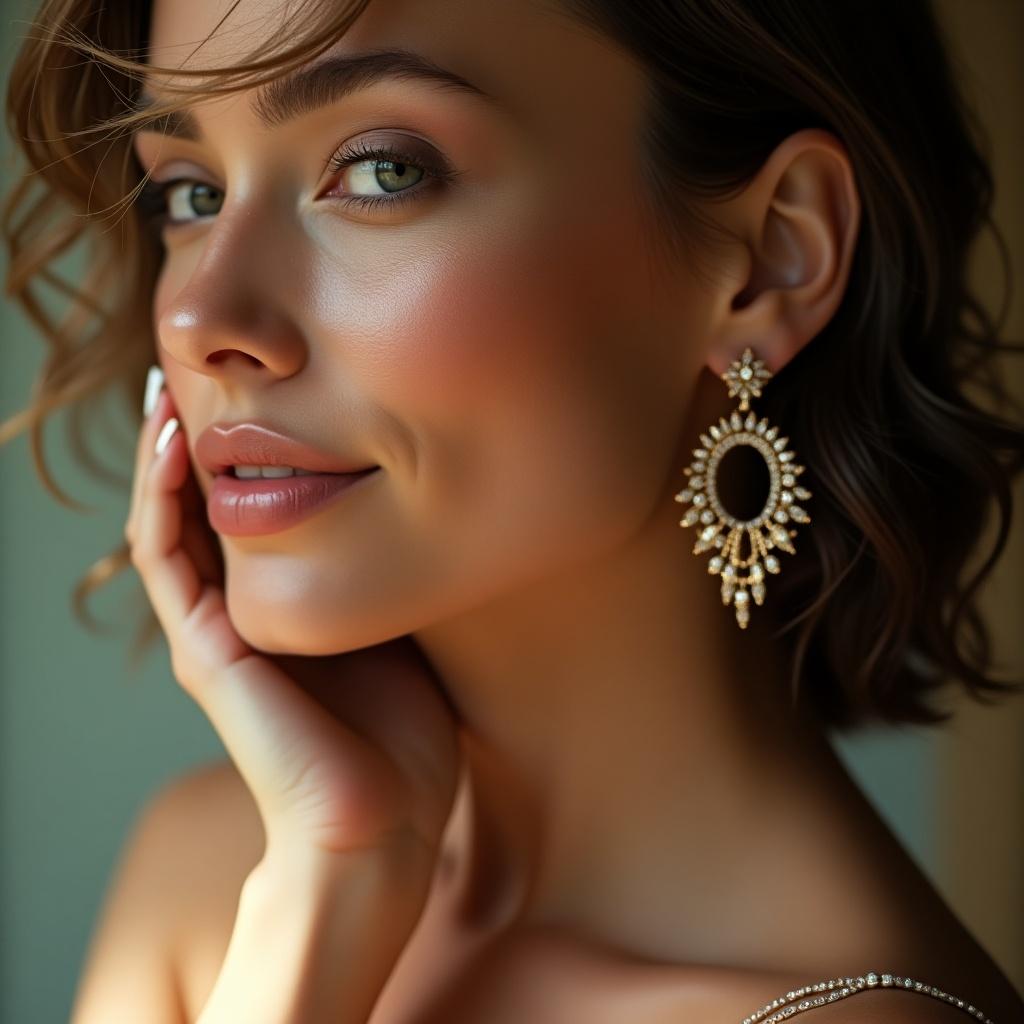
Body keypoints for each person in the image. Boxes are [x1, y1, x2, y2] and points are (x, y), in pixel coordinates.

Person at [2, 0, 1023, 1020]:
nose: (197, 319)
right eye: (190, 192)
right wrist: (325, 888)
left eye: (379, 170)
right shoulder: (214, 884)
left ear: (768, 258)